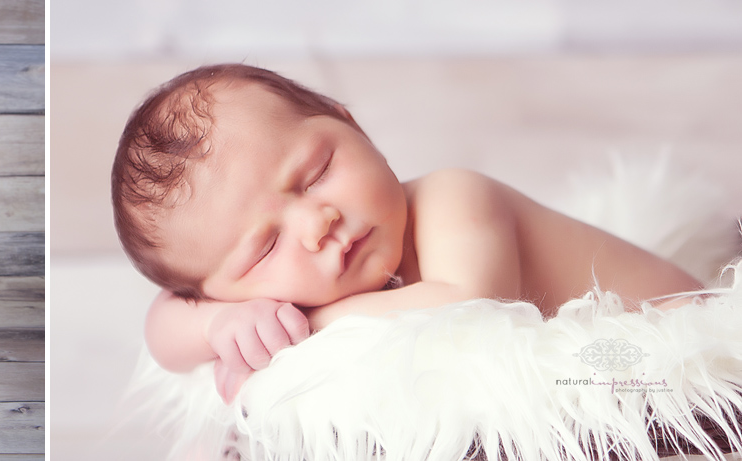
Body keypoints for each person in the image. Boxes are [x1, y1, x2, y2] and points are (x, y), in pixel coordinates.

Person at [111, 64, 702, 403]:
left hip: (681, 363)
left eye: (316, 174)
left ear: (352, 125)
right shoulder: (254, 292)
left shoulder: (454, 197)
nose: (317, 223)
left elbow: (466, 306)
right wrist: (222, 325)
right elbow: (163, 329)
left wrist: (294, 332)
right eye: (266, 247)